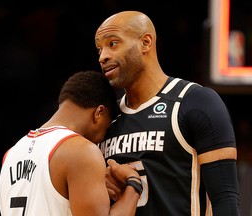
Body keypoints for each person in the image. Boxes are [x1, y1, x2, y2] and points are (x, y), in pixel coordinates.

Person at [95, 11, 241, 215]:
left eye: (113, 43)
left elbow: (225, 199)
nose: (103, 57)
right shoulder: (103, 119)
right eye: (99, 49)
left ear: (145, 42)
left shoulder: (195, 101)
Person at [0, 70, 143, 216]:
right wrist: (133, 184)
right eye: (106, 127)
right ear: (99, 113)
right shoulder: (81, 151)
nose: (102, 138)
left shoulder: (10, 154)